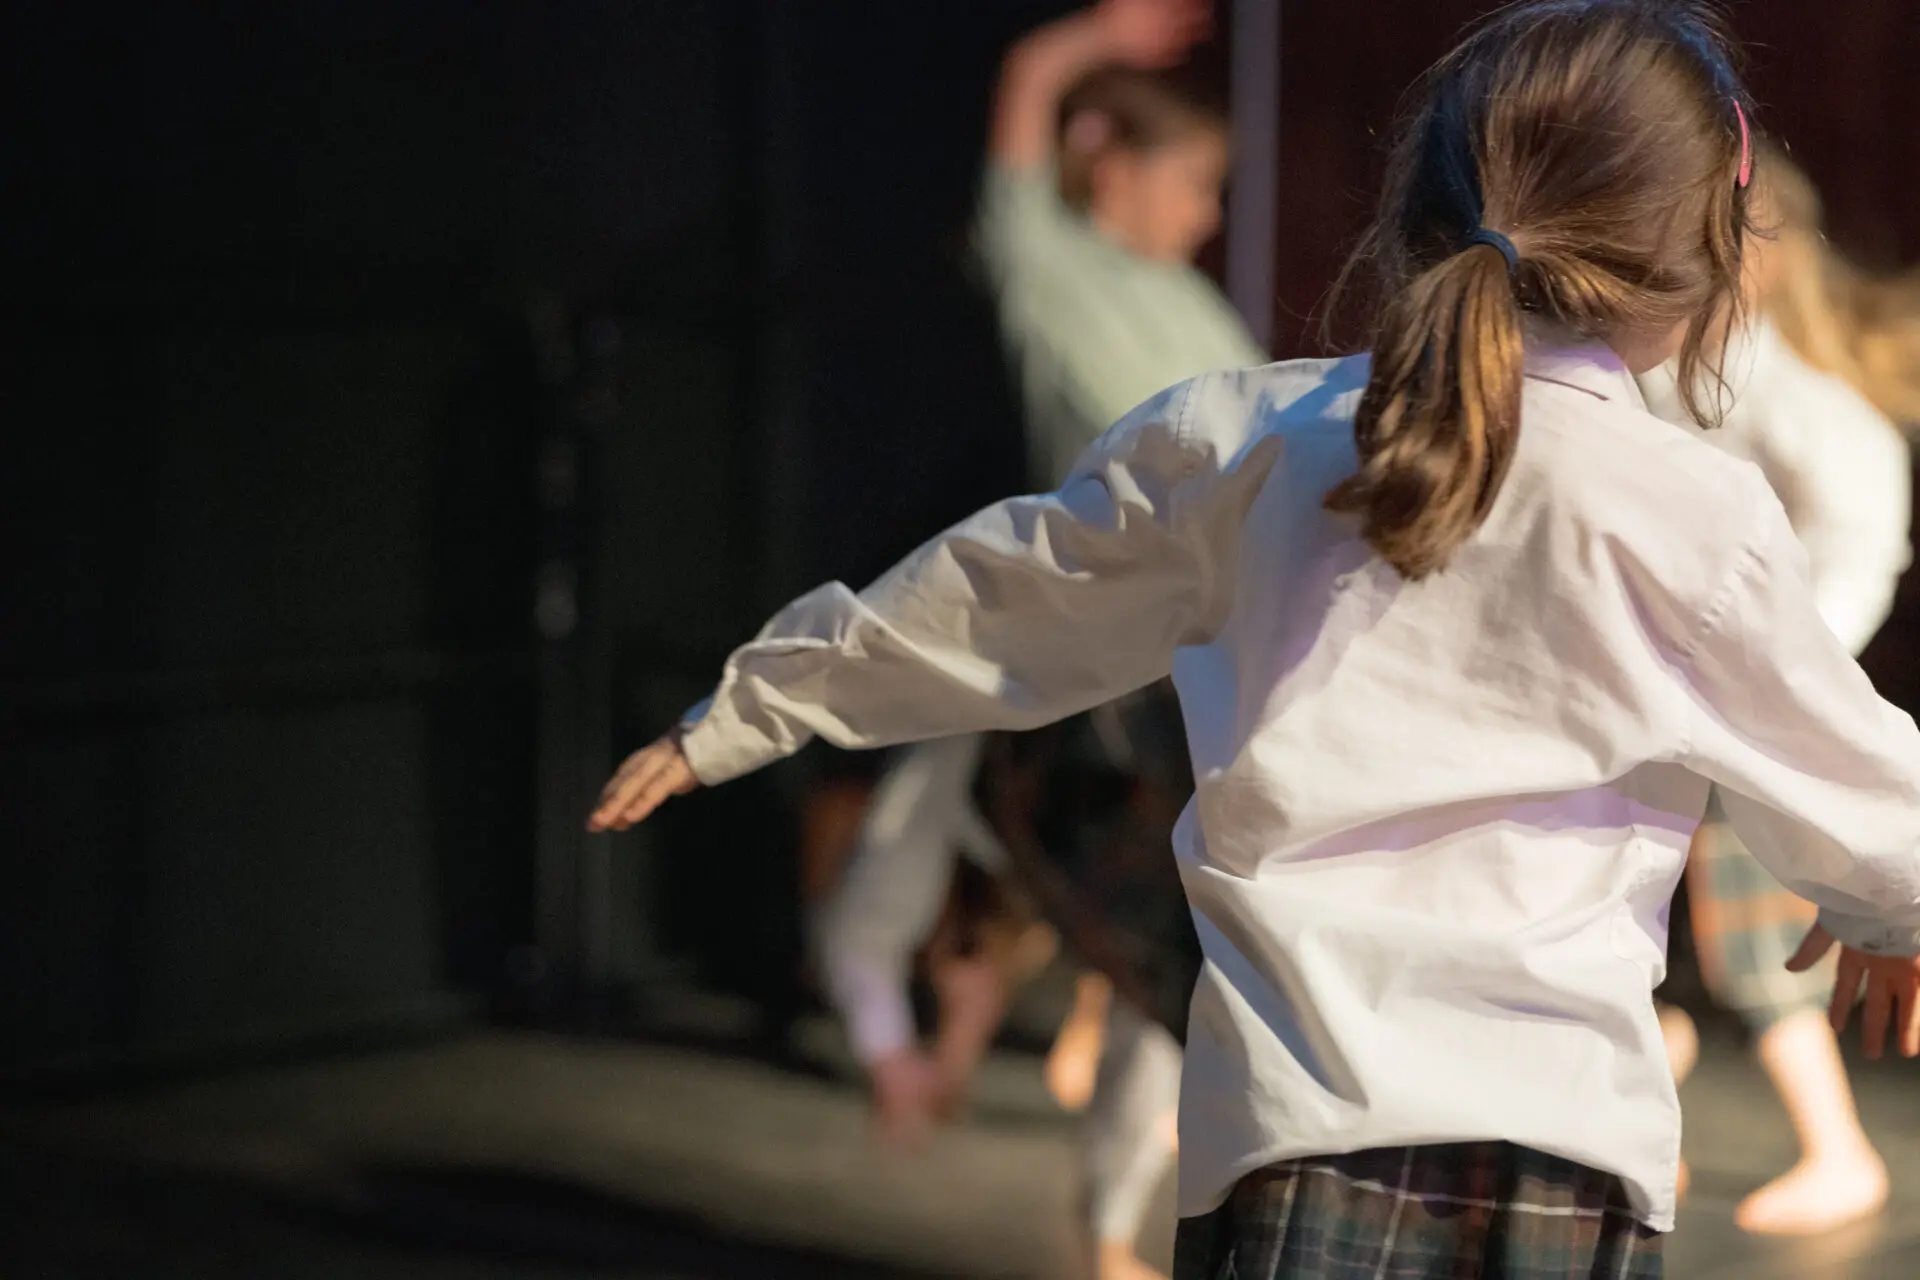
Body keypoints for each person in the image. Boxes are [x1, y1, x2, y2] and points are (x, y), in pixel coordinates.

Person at [592, 2, 1920, 1275]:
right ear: (1695, 253)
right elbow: (1858, 774)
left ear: (1426, 212)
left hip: (1294, 1146)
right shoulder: (1692, 513)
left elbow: (999, 594)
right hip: (1561, 1165)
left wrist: (754, 707)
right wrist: (1886, 895)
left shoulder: (1246, 442)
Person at [810, 3, 1260, 1276]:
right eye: (1194, 182)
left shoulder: (1190, 309)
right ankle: (1092, 1196)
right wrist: (1095, 37)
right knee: (1142, 932)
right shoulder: (1051, 267)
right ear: (1108, 165)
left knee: (1181, 948)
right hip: (1095, 673)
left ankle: (1119, 1215)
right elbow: (1018, 98)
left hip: (1197, 656)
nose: (1208, 213)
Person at [1638, 139, 1913, 1236]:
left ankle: (1838, 1147)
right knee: (1638, 903)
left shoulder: (1774, 384)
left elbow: (1862, 536)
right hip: (1680, 694)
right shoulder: (1684, 367)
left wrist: (1789, 677)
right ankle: (1653, 1069)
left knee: (1760, 935)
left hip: (1748, 708)